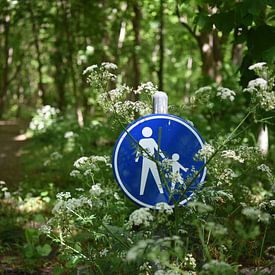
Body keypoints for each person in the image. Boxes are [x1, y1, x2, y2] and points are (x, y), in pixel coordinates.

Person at [135, 127, 165, 195]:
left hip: (150, 159)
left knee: (152, 175)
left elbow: (157, 148)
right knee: (149, 175)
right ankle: (142, 192)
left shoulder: (144, 141)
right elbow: (139, 150)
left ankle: (142, 192)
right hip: (148, 159)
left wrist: (136, 159)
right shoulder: (147, 140)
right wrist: (163, 157)